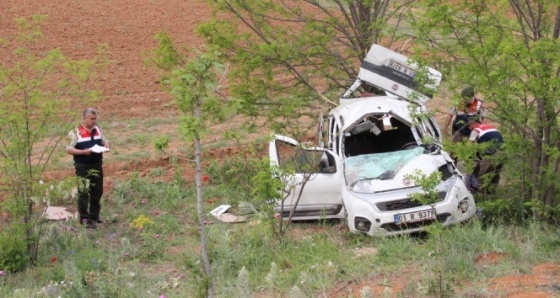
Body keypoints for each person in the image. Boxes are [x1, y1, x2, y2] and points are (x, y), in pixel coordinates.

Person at [66, 108, 110, 229]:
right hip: (82, 166)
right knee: (83, 192)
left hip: (97, 164)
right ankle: (84, 219)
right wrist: (83, 152)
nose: (94, 121)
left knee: (97, 191)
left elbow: (104, 140)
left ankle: (94, 216)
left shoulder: (97, 129)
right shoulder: (75, 132)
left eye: (95, 119)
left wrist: (106, 144)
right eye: (91, 119)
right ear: (84, 119)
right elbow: (69, 149)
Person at [465, 119, 504, 194]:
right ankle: (493, 194)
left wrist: (467, 156)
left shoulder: (476, 130)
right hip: (503, 152)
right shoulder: (491, 127)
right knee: (495, 174)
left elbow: (470, 144)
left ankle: (481, 197)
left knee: (482, 177)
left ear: (471, 126)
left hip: (491, 155)